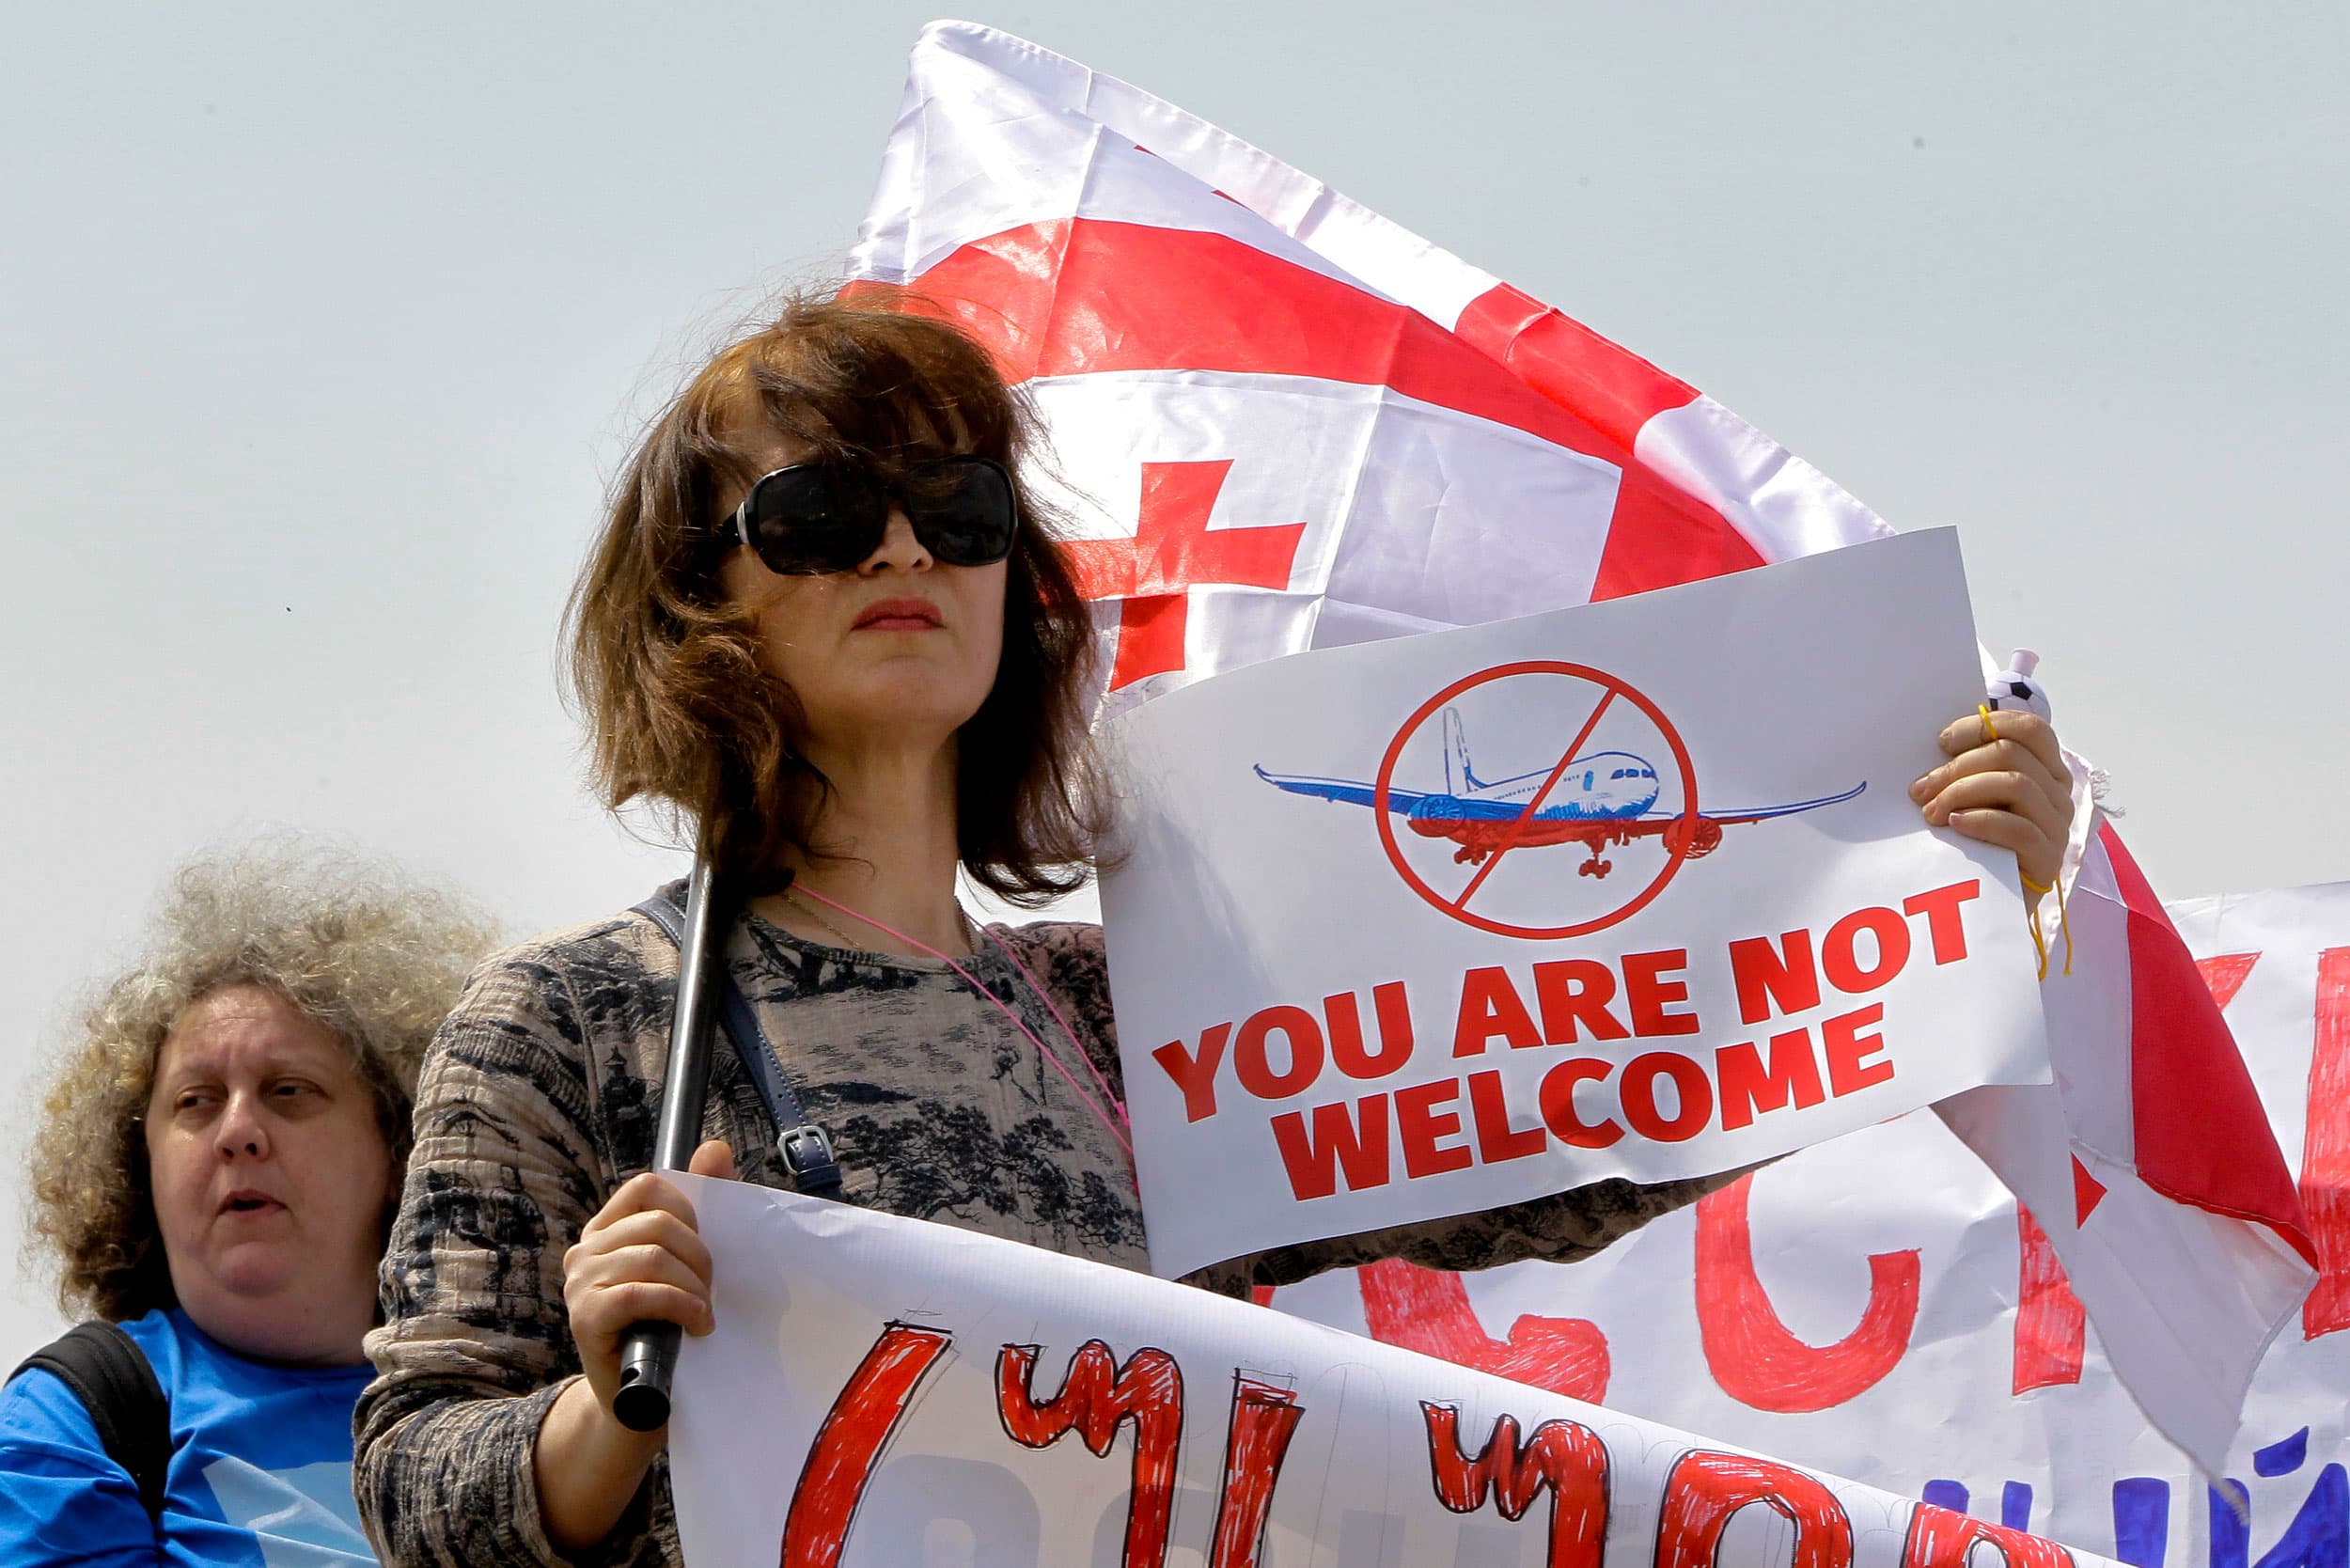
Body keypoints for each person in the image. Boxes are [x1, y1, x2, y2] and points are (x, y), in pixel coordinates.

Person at [352, 290, 2078, 1568]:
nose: (900, 545)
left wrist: (1948, 914)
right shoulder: (577, 1021)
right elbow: (415, 1479)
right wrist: (600, 1408)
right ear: (699, 595)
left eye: (957, 516)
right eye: (818, 514)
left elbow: (1553, 1137)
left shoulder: (1133, 1016)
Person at [0, 845, 496, 1567]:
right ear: (141, 1167)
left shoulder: (521, 1400)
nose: (237, 1132)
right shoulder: (70, 1422)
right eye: (194, 1102)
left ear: (403, 1148)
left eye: (289, 1091)